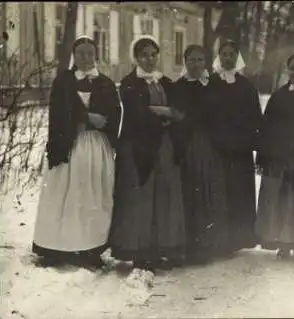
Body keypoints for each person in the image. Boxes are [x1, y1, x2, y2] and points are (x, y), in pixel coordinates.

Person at [32, 35, 121, 270]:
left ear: (96, 55)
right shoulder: (63, 81)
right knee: (66, 194)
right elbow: (58, 111)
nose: (85, 58)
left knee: (91, 196)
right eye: (80, 53)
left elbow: (114, 111)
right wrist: (84, 117)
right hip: (70, 146)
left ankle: (90, 247)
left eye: (90, 53)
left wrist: (103, 122)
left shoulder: (105, 83)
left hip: (96, 146)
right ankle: (57, 247)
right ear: (74, 56)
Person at [108, 35, 186, 285]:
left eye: (153, 54)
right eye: (144, 55)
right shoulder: (130, 83)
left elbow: (179, 112)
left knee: (163, 195)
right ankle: (140, 251)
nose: (150, 59)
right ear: (136, 58)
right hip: (138, 146)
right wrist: (166, 114)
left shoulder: (165, 81)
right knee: (140, 197)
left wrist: (166, 112)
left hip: (163, 144)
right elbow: (137, 113)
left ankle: (161, 247)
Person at [255, 53, 294, 260]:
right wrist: (265, 156)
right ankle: (283, 242)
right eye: (293, 68)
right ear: (287, 71)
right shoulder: (278, 97)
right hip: (282, 158)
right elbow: (266, 128)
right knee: (282, 202)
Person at [172, 45, 229, 265]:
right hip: (187, 143)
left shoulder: (215, 84)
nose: (195, 64)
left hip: (210, 144)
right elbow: (176, 114)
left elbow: (220, 113)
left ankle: (209, 243)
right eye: (191, 60)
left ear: (205, 63)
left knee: (209, 189)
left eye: (199, 60)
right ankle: (190, 244)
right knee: (189, 190)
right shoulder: (178, 86)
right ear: (185, 62)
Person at [208, 40, 263, 256]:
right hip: (216, 147)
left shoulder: (246, 85)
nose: (228, 58)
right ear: (219, 56)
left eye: (232, 54)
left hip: (240, 150)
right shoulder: (211, 82)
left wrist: (257, 147)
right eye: (224, 54)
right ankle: (219, 239)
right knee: (218, 192)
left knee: (239, 193)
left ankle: (238, 239)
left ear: (237, 57)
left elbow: (255, 118)